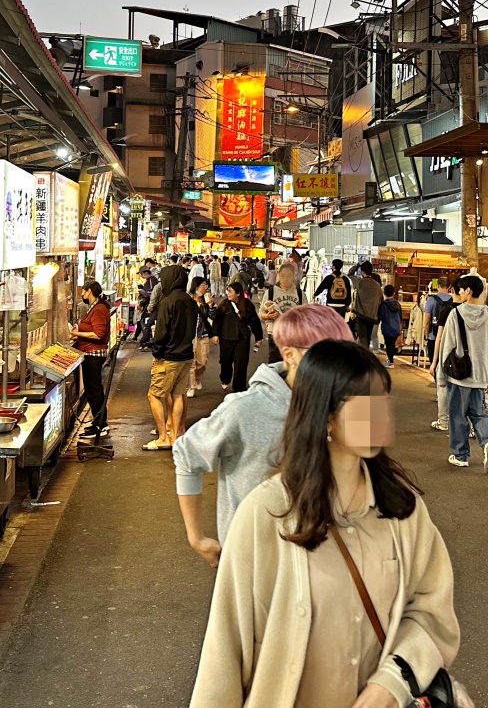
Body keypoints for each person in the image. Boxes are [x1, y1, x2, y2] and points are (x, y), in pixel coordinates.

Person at [189, 340, 461, 708]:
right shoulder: (265, 515)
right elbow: (226, 648)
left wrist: (391, 685)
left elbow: (432, 613)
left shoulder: (401, 509)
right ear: (326, 416)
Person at [172, 306, 353, 565]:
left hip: (327, 568)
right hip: (255, 568)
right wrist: (196, 538)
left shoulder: (347, 406)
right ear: (290, 354)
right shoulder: (244, 409)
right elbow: (187, 454)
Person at [436, 275, 488, 473]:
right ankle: (487, 442)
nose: (460, 293)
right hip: (481, 375)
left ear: (469, 291)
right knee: (479, 413)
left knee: (457, 415)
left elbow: (447, 347)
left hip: (459, 375)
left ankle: (461, 455)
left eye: (462, 290)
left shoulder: (456, 314)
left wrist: (441, 376)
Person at [143, 265, 198, 450]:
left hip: (169, 357)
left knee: (154, 395)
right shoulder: (190, 301)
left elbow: (161, 333)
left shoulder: (167, 302)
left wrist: (157, 352)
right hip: (186, 355)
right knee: (178, 394)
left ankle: (162, 438)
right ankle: (176, 434)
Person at [71, 281, 112, 440]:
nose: (82, 295)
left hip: (94, 354)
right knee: (92, 389)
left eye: (83, 292)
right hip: (89, 353)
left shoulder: (99, 309)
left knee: (94, 390)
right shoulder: (95, 307)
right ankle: (98, 421)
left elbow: (98, 334)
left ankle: (101, 424)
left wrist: (76, 334)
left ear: (89, 292)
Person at [210, 282, 264, 394]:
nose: (227, 293)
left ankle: (239, 388)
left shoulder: (247, 305)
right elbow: (217, 321)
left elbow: (254, 321)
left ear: (238, 293)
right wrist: (215, 334)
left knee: (241, 363)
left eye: (230, 291)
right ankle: (225, 378)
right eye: (227, 291)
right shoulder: (224, 305)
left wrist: (259, 337)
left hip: (242, 338)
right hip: (226, 337)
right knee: (225, 362)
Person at [428, 280, 462, 433]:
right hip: (464, 356)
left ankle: (444, 421)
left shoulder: (446, 310)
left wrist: (434, 362)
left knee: (442, 388)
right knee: (463, 391)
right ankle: (466, 425)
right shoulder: (469, 310)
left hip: (446, 354)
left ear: (451, 289)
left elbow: (439, 338)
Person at [260, 263, 306, 362]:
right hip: (275, 333)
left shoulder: (300, 294)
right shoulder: (271, 292)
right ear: (278, 275)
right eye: (283, 275)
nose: (285, 278)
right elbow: (261, 313)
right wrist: (268, 316)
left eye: (289, 275)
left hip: (293, 334)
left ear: (294, 276)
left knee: (292, 364)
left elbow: (306, 315)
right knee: (274, 364)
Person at [187, 276, 214, 397]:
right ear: (196, 287)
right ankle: (190, 386)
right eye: (203, 285)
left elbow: (212, 318)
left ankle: (197, 379)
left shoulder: (206, 302)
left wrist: (211, 305)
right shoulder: (188, 300)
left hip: (203, 334)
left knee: (202, 362)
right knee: (191, 363)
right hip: (190, 336)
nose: (206, 287)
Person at [350, 260, 384, 349]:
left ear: (362, 272)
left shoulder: (360, 282)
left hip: (361, 315)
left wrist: (358, 264)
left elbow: (350, 273)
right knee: (367, 339)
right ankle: (366, 356)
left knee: (362, 338)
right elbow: (381, 301)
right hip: (372, 317)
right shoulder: (377, 286)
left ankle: (363, 358)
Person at [379, 284, 403, 368]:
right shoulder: (397, 304)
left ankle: (391, 362)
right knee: (392, 344)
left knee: (388, 344)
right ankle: (390, 359)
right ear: (393, 293)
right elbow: (400, 316)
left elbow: (381, 316)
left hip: (387, 327)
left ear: (384, 293)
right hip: (396, 327)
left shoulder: (384, 305)